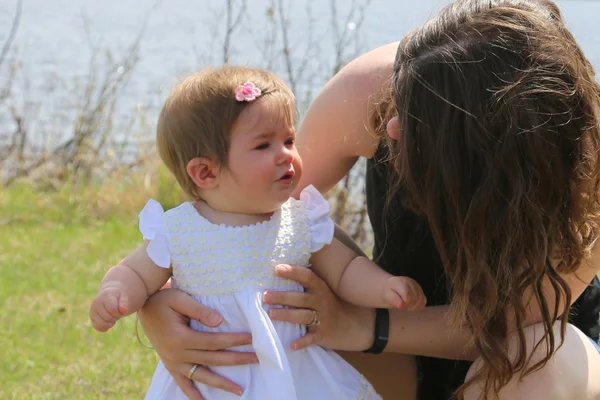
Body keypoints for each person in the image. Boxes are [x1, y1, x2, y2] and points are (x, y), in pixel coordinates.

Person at [138, 1, 600, 399]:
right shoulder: (372, 89)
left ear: (487, 136)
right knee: (278, 346)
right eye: (399, 102)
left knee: (535, 359)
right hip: (387, 340)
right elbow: (245, 219)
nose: (393, 128)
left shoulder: (585, 159)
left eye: (421, 118)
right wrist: (162, 308)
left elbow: (503, 325)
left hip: (529, 350)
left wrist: (361, 326)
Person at [88, 65, 431, 399]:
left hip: (295, 371)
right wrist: (117, 293)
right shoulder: (180, 230)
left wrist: (384, 287)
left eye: (289, 139)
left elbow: (345, 270)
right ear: (206, 172)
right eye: (264, 145)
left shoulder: (299, 221)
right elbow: (135, 271)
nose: (286, 155)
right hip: (216, 378)